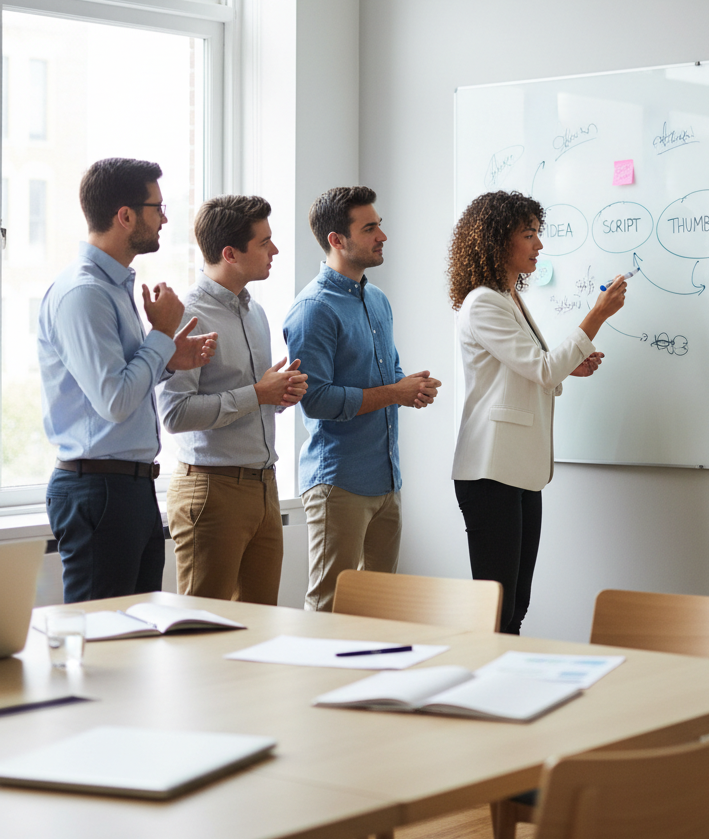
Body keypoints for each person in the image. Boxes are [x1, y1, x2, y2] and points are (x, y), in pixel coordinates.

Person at [38, 157, 217, 603]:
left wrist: (167, 360)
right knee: (102, 645)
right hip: (98, 490)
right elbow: (114, 401)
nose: (165, 218)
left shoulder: (113, 289)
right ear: (125, 216)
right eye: (157, 207)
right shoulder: (85, 294)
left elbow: (119, 384)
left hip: (129, 489)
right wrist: (159, 338)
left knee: (135, 645)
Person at [448, 191, 626, 634]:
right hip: (491, 473)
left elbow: (532, 370)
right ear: (497, 241)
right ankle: (488, 692)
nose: (539, 245)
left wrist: (572, 365)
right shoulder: (484, 302)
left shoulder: (508, 298)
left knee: (516, 604)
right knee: (498, 610)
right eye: (529, 235)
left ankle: (508, 690)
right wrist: (597, 315)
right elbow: (543, 369)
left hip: (520, 472)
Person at [284, 186, 441, 612]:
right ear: (337, 240)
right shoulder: (313, 309)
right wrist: (395, 392)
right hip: (338, 483)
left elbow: (388, 373)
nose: (382, 236)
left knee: (379, 609)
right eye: (369, 227)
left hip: (387, 480)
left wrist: (411, 388)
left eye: (380, 225)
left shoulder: (377, 300)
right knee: (330, 606)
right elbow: (315, 399)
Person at [159, 195, 307, 604]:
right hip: (211, 493)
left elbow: (251, 397)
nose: (275, 250)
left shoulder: (255, 313)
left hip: (264, 488)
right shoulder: (189, 317)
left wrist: (277, 394)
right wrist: (257, 393)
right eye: (264, 242)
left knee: (259, 629)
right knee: (202, 636)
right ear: (230, 253)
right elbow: (175, 413)